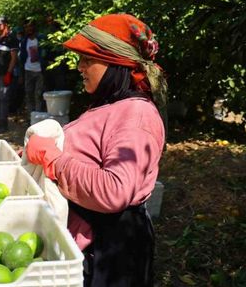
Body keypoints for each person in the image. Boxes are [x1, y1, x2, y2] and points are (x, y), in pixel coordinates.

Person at [25, 14, 167, 286]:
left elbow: (114, 190)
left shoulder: (136, 115)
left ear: (117, 62)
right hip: (94, 248)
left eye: (87, 59)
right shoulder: (110, 105)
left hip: (110, 255)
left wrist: (53, 160)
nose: (80, 67)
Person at [0, 16, 19, 133]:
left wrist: (8, 73)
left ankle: (3, 125)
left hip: (4, 74)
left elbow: (14, 58)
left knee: (4, 99)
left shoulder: (11, 39)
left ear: (6, 24)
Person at [23, 22, 45, 114]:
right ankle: (30, 116)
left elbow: (44, 54)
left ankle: (38, 115)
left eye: (30, 27)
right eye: (26, 27)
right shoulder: (24, 41)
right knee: (29, 94)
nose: (28, 29)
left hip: (39, 70)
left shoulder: (40, 39)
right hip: (28, 70)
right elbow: (23, 56)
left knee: (38, 94)